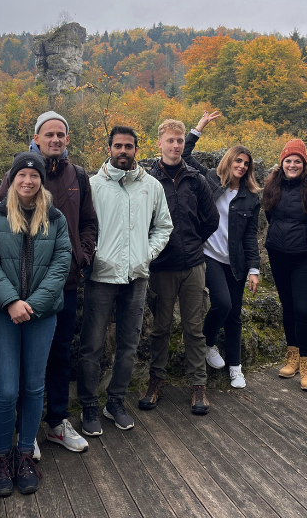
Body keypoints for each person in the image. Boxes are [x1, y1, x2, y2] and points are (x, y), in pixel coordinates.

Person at [0, 111, 96, 456]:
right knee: (25, 359)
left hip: (64, 283)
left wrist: (82, 255)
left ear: (67, 140)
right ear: (36, 138)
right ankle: (26, 429)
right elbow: (0, 223)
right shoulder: (18, 174)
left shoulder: (77, 175)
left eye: (61, 135)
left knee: (59, 354)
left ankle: (56, 422)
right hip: (22, 290)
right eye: (48, 134)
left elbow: (88, 222)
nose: (55, 140)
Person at [0, 152, 72, 496]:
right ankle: (2, 456)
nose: (28, 182)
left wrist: (31, 305)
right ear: (13, 179)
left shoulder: (56, 218)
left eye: (34, 177)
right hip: (3, 314)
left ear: (42, 181)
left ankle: (25, 454)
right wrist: (11, 301)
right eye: (22, 176)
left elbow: (62, 264)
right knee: (6, 390)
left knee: (33, 387)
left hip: (41, 315)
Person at [77, 126, 173, 436]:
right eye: (117, 145)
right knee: (92, 345)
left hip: (137, 275)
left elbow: (164, 226)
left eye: (128, 146)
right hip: (101, 275)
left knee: (129, 345)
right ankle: (89, 406)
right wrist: (93, 254)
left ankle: (115, 402)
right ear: (109, 148)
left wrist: (147, 254)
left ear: (136, 149)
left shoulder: (151, 186)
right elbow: (83, 227)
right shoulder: (93, 186)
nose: (123, 151)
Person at [140, 119, 219, 414]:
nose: (175, 146)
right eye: (170, 140)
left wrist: (195, 242)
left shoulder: (196, 180)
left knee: (194, 329)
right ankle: (156, 380)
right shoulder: (148, 182)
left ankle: (198, 386)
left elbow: (211, 219)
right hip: (161, 266)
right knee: (160, 328)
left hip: (193, 264)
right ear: (159, 143)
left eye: (180, 141)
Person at [182, 111, 261, 389]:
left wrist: (254, 268)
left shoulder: (251, 198)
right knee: (223, 304)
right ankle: (208, 343)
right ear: (229, 161)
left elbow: (250, 237)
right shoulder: (210, 180)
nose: (241, 166)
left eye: (246, 163)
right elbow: (185, 155)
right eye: (237, 160)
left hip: (236, 262)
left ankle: (236, 367)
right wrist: (199, 127)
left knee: (235, 314)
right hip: (209, 256)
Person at [262, 138, 307, 390]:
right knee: (288, 307)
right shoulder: (272, 186)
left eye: (297, 161)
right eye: (288, 161)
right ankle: (291, 356)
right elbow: (271, 217)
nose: (292, 165)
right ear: (282, 163)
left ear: (304, 164)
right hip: (278, 255)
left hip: (305, 257)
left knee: (303, 310)